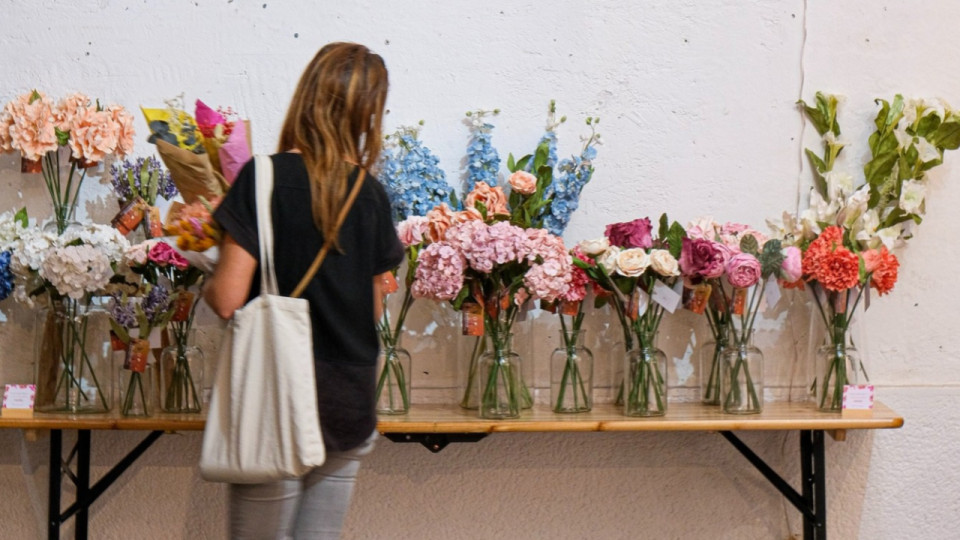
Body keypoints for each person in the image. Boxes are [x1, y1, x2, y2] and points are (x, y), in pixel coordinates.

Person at [203, 42, 404, 539]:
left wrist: (205, 268)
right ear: (365, 114)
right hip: (349, 401)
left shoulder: (262, 179)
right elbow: (373, 307)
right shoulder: (371, 193)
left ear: (308, 96)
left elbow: (228, 299)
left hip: (276, 393)